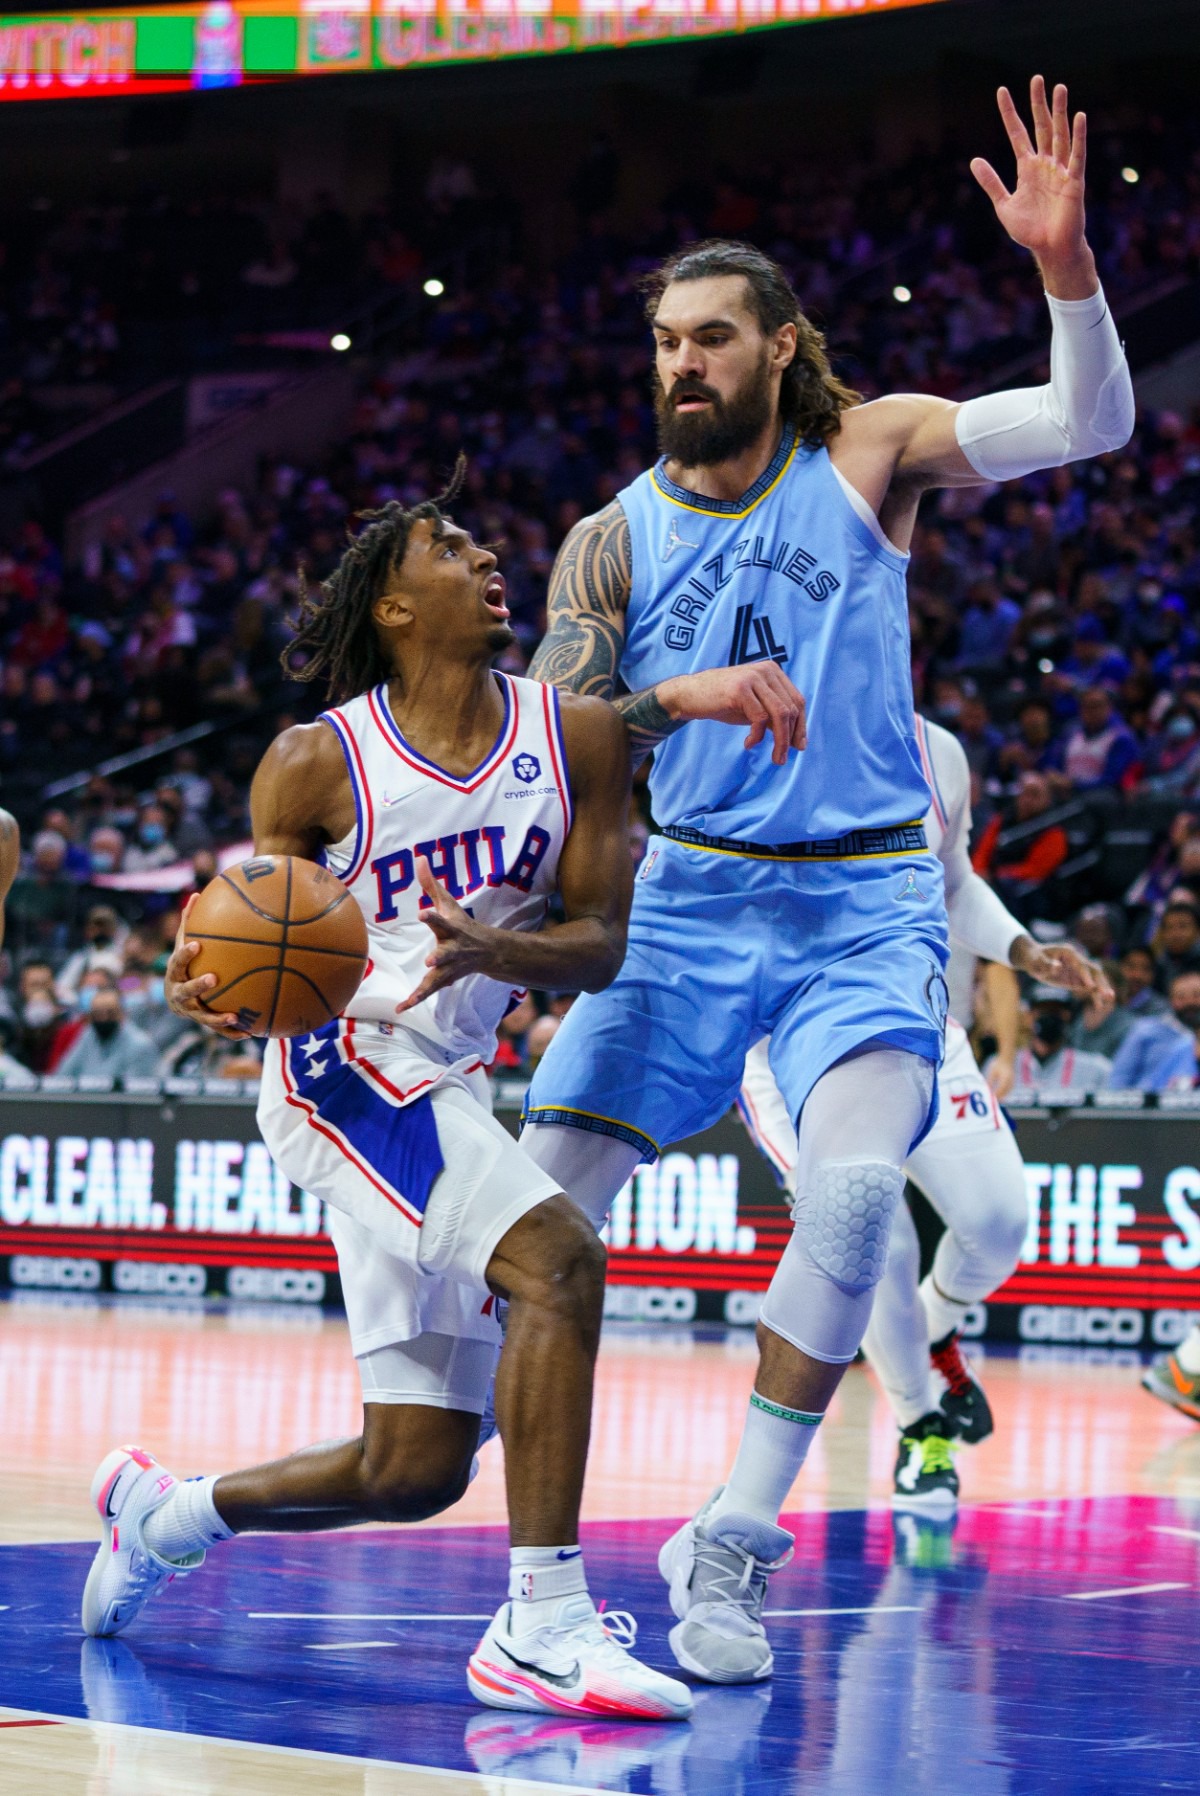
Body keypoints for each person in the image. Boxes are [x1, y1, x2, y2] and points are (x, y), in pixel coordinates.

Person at [518, 75, 1133, 1685]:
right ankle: (530, 1581)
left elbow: (1091, 426)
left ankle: (730, 1537)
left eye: (710, 338)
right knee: (534, 1221)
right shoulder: (609, 540)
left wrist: (1066, 274)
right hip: (686, 899)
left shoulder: (873, 452)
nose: (682, 366)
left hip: (863, 903)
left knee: (857, 1196)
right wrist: (678, 702)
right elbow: (558, 735)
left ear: (777, 344)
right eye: (664, 344)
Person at [80, 471, 691, 1723]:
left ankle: (165, 1511)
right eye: (449, 544)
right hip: (338, 1071)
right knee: (561, 1260)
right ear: (398, 609)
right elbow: (244, 943)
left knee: (414, 1468)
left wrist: (493, 953)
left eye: (477, 540)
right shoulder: (315, 762)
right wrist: (209, 987)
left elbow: (599, 940)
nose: (484, 554)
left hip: (449, 1076)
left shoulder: (573, 734)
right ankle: (542, 1621)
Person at [738, 715, 1103, 1510]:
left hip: (915, 1018)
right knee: (874, 1236)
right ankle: (920, 1426)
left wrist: (1025, 951)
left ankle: (934, 1326)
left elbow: (954, 885)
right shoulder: (754, 729)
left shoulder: (939, 751)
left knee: (1000, 1220)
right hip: (787, 1038)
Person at [1000, 984, 1113, 1094]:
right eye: (1043, 1011)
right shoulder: (1003, 1066)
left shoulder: (1095, 1069)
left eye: (1056, 1012)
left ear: (1068, 1016)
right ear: (1028, 1016)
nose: (1049, 1017)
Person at [56, 983, 159, 1083]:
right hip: (85, 1098)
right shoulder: (89, 1034)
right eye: (97, 1013)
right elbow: (63, 1076)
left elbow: (135, 1093)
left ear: (122, 1013)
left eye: (110, 1013)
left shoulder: (140, 1045)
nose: (103, 1018)